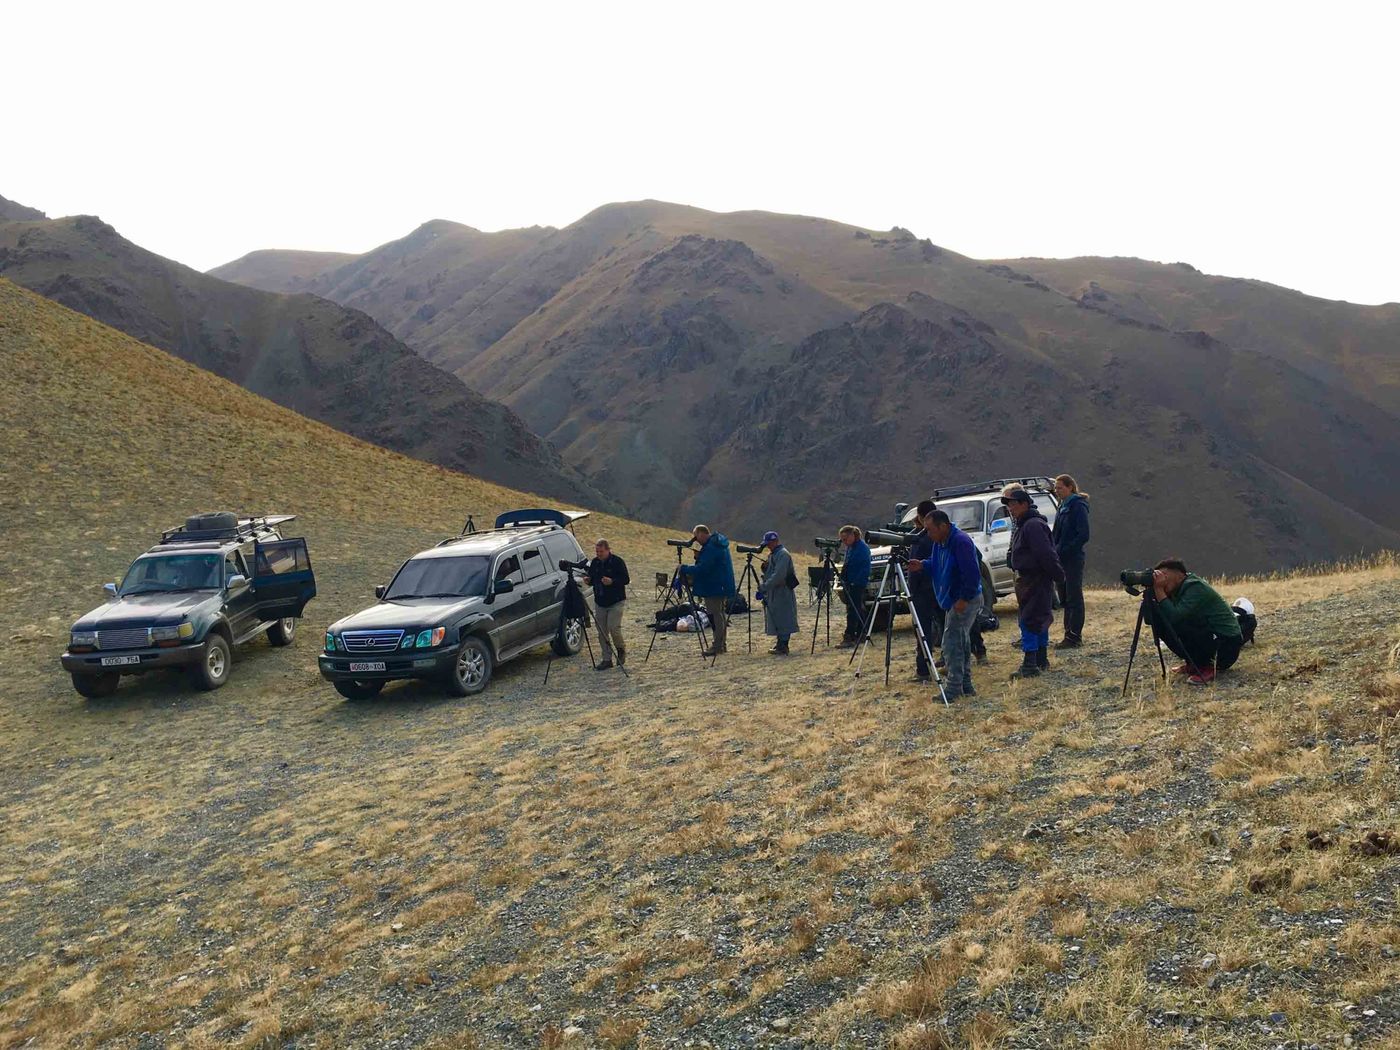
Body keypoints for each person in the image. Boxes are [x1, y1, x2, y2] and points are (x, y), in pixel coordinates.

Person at [907, 509, 982, 699]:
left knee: (951, 643)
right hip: (953, 599)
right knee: (960, 641)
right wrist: (923, 565)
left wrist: (964, 599)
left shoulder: (960, 542)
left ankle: (954, 688)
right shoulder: (940, 542)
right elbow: (939, 563)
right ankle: (965, 685)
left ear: (943, 526)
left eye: (930, 529)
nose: (928, 534)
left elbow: (972, 574)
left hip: (964, 599)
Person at [1143, 559, 1243, 685]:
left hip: (1226, 647)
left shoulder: (1195, 586)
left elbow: (1176, 616)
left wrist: (1159, 590)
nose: (1161, 579)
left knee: (1182, 622)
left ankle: (1208, 666)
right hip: (1213, 639)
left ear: (1179, 575)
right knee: (1161, 623)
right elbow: (1157, 620)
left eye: (1164, 575)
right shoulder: (1176, 590)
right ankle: (1194, 663)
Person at [1003, 486, 1065, 679]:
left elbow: (1046, 554)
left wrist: (1058, 575)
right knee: (1039, 617)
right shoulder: (1026, 524)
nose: (1010, 509)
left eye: (1013, 504)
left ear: (1024, 504)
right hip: (1032, 579)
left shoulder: (1032, 525)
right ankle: (1040, 659)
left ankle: (1030, 663)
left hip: (1034, 579)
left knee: (1029, 619)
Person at [678, 525, 737, 656]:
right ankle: (721, 644)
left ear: (701, 534)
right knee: (720, 614)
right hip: (720, 584)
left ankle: (717, 646)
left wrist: (685, 568)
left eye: (696, 536)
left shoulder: (711, 547)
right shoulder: (717, 543)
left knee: (715, 615)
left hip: (714, 586)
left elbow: (704, 568)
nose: (696, 540)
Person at [907, 499, 946, 681]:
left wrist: (911, 591)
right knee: (946, 624)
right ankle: (948, 658)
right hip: (940, 586)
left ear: (921, 518)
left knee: (923, 631)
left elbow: (914, 568)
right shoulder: (942, 536)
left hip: (923, 590)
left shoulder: (920, 539)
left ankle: (923, 669)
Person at [1051, 474, 1090, 648]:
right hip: (1060, 558)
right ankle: (1068, 633)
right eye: (1056, 488)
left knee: (1074, 596)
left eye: (1060, 488)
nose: (1057, 491)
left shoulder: (1077, 506)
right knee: (1064, 597)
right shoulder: (1062, 506)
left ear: (1070, 487)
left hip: (1073, 559)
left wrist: (1066, 550)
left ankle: (1075, 636)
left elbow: (1083, 534)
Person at [585, 538, 630, 669]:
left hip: (616, 600)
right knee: (601, 631)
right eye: (597, 551)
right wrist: (589, 580)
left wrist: (612, 581)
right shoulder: (595, 563)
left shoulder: (617, 562)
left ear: (608, 550)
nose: (598, 554)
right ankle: (606, 659)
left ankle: (620, 649)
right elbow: (593, 578)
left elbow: (626, 579)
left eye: (601, 551)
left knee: (613, 628)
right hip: (600, 601)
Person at [756, 531, 799, 655]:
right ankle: (780, 643)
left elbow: (779, 575)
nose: (768, 546)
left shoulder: (783, 555)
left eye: (769, 543)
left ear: (775, 541)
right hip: (775, 591)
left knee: (784, 615)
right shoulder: (774, 555)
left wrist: (765, 586)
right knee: (777, 615)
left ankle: (783, 644)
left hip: (782, 590)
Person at [836, 525, 871, 648]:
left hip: (857, 582)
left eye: (845, 539)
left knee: (853, 609)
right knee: (856, 608)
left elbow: (863, 568)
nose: (844, 542)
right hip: (850, 582)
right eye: (842, 540)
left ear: (852, 535)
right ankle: (861, 632)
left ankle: (850, 635)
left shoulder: (862, 548)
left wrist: (854, 582)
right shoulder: (851, 548)